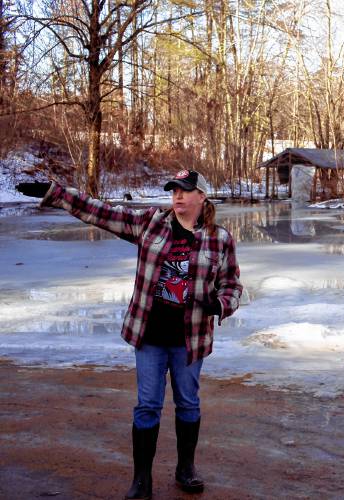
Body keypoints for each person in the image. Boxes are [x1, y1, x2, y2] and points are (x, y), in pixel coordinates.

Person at [20, 170, 243, 499]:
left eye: (185, 191)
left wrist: (220, 304)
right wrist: (56, 193)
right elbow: (101, 212)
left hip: (190, 339)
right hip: (149, 336)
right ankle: (142, 480)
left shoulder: (219, 239)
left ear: (202, 197)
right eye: (173, 191)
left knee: (188, 405)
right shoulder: (149, 224)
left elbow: (233, 285)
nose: (177, 196)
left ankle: (186, 468)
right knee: (147, 406)